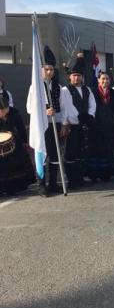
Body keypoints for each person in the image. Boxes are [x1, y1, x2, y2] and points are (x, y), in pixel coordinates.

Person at [26, 46, 70, 196]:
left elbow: (64, 107)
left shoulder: (59, 87)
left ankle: (53, 184)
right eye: (46, 69)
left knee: (55, 154)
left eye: (51, 69)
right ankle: (41, 185)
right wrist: (44, 111)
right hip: (42, 125)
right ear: (41, 70)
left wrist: (64, 123)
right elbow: (29, 108)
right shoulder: (35, 87)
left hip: (55, 125)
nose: (49, 72)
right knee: (42, 155)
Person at [62, 54, 96, 189]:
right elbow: (67, 107)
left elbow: (92, 104)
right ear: (70, 77)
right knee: (71, 153)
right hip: (72, 125)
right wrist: (78, 117)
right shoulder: (65, 90)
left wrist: (89, 116)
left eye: (79, 75)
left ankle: (80, 177)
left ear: (82, 77)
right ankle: (72, 180)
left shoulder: (87, 89)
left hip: (84, 124)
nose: (77, 78)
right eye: (74, 75)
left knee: (82, 152)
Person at [88, 72, 114, 181]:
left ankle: (110, 173)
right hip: (98, 125)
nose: (105, 81)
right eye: (103, 79)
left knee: (113, 149)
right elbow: (91, 108)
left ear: (110, 81)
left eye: (107, 79)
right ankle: (97, 174)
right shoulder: (93, 92)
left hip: (112, 125)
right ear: (98, 80)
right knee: (98, 150)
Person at [0, 95, 35, 195]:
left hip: (14, 142)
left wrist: (24, 141)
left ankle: (15, 187)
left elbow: (21, 127)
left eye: (4, 110)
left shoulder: (14, 112)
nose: (3, 113)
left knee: (15, 165)